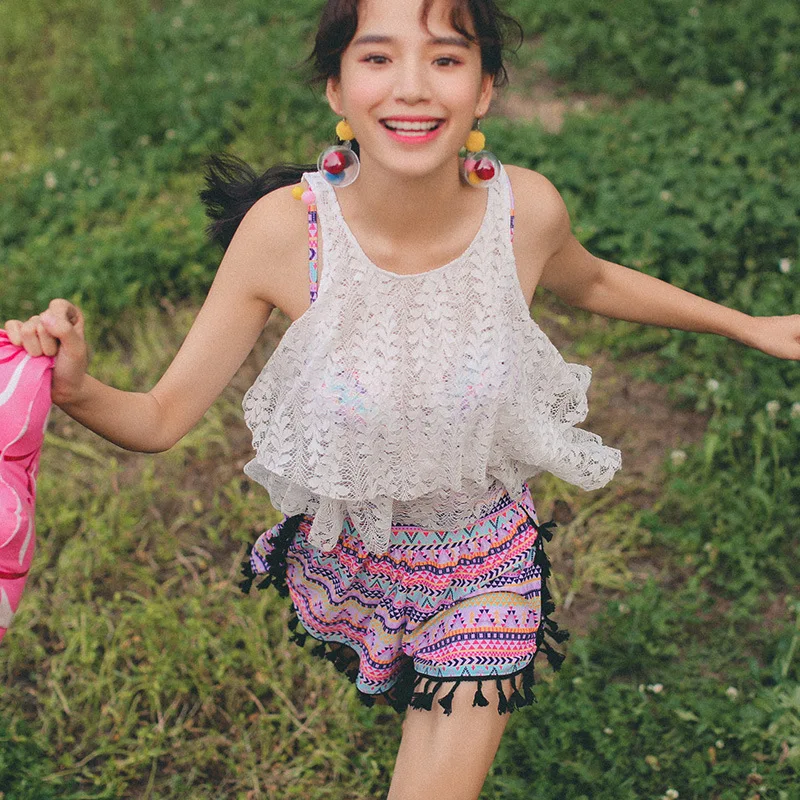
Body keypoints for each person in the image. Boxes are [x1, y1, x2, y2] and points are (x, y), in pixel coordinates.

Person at [4, 0, 800, 797]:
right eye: (378, 58)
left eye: (446, 59)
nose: (412, 87)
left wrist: (746, 325)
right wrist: (76, 388)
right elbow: (158, 419)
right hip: (359, 557)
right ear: (336, 89)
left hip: (486, 564)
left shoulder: (522, 214)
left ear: (484, 89)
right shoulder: (288, 234)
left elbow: (591, 280)